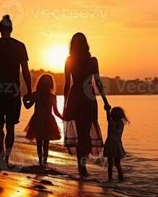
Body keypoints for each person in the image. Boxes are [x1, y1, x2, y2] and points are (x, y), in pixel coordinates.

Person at [0, 15, 32, 168]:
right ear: (11, 29)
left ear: (0, 29)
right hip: (13, 91)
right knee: (10, 126)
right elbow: (26, 71)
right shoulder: (20, 46)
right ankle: (7, 157)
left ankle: (1, 152)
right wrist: (29, 91)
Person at [63, 32, 111, 177]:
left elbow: (67, 85)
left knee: (81, 133)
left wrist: (65, 105)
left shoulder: (70, 60)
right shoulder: (92, 61)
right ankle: (82, 166)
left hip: (76, 97)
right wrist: (105, 101)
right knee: (84, 133)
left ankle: (81, 166)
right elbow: (98, 83)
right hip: (88, 97)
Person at [23, 74, 63, 167]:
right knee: (46, 143)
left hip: (38, 119)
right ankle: (44, 162)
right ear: (51, 84)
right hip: (47, 120)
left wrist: (24, 100)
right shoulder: (52, 96)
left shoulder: (36, 94)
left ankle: (41, 161)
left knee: (39, 142)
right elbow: (56, 112)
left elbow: (27, 106)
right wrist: (62, 118)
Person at [104, 107, 129, 181]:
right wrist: (108, 110)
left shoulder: (112, 123)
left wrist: (107, 110)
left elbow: (108, 118)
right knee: (118, 164)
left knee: (110, 164)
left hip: (110, 144)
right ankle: (121, 177)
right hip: (118, 144)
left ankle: (110, 179)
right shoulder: (121, 124)